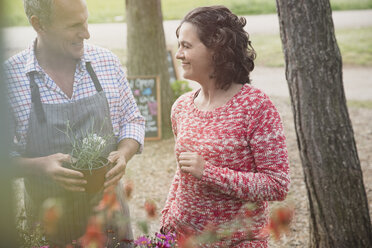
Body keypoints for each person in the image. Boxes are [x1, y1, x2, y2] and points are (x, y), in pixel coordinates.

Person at [4, 0, 145, 247]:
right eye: (74, 25)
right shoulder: (11, 80)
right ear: (39, 24)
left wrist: (124, 153)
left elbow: (132, 120)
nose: (87, 33)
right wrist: (39, 166)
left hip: (111, 222)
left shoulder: (106, 63)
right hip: (48, 229)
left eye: (86, 20)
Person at [160, 6, 290, 247]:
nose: (178, 54)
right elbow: (184, 172)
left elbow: (277, 184)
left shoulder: (255, 106)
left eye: (186, 46)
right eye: (179, 45)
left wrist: (210, 172)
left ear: (216, 51)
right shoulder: (181, 107)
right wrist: (167, 218)